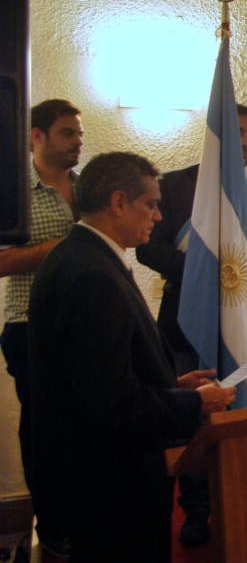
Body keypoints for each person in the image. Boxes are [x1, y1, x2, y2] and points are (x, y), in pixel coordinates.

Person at [27, 152, 235, 563]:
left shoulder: (82, 255)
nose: (158, 216)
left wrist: (173, 385)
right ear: (119, 202)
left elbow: (100, 374)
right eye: (151, 204)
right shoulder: (92, 275)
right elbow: (110, 403)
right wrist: (193, 402)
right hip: (110, 485)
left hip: (100, 476)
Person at [135, 104, 247, 546]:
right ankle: (197, 508)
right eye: (237, 132)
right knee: (193, 422)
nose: (245, 142)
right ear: (214, 136)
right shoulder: (176, 185)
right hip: (188, 326)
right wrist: (202, 274)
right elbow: (149, 248)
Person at [0, 99, 81, 558]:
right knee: (44, 432)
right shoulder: (14, 192)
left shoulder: (87, 188)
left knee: (86, 426)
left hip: (84, 324)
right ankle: (51, 527)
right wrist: (61, 248)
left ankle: (84, 516)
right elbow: (1, 261)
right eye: (67, 132)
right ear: (37, 136)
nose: (77, 141)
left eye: (78, 133)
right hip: (29, 325)